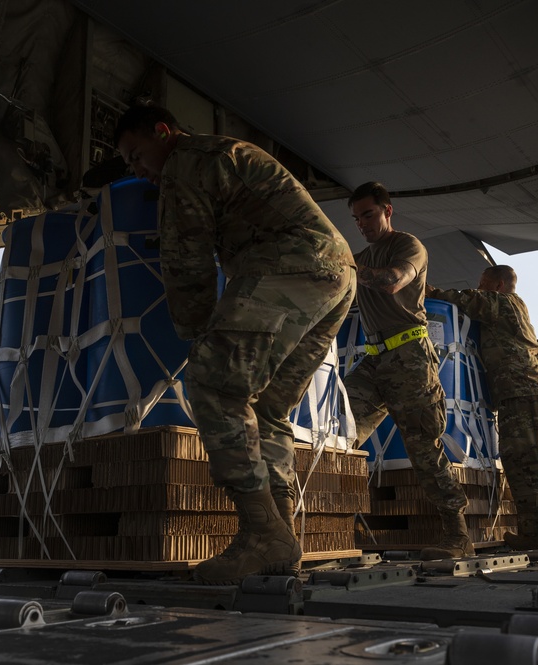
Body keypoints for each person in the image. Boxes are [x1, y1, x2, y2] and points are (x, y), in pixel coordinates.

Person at [114, 104, 357, 584]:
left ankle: (263, 533)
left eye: (137, 154)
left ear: (164, 133)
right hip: (336, 273)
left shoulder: (185, 162)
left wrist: (197, 336)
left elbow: (187, 259)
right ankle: (279, 536)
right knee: (266, 408)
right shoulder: (226, 153)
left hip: (288, 265)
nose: (137, 170)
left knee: (214, 386)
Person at [342, 182, 473, 560]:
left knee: (423, 449)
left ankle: (457, 533)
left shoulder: (407, 246)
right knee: (338, 427)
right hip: (374, 360)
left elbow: (394, 281)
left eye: (368, 214)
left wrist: (350, 266)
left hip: (410, 356)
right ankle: (333, 519)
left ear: (387, 211)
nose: (362, 223)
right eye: (356, 218)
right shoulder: (361, 256)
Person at [427, 265, 538, 550]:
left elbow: (465, 300)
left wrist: (432, 291)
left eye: (483, 283)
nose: (480, 287)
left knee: (526, 462)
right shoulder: (518, 308)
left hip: (520, 392)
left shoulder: (503, 302)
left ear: (497, 285)